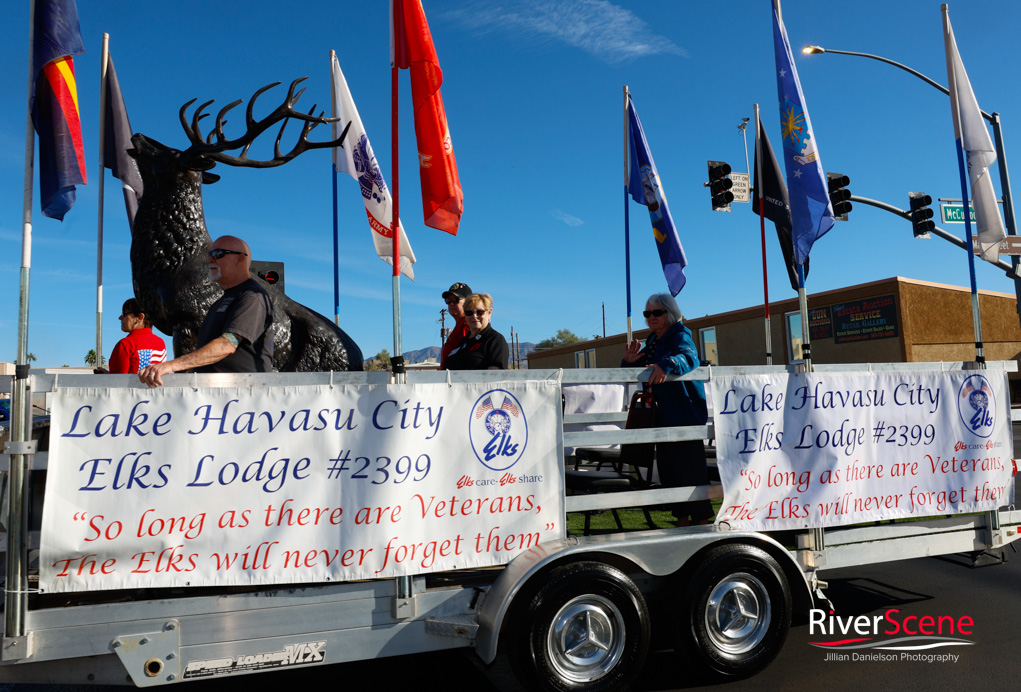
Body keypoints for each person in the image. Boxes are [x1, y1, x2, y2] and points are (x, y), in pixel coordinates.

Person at [622, 293, 711, 526]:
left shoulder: (680, 335)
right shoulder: (653, 340)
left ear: (670, 313)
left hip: (684, 415)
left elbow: (689, 358)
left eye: (657, 312)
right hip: (662, 416)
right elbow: (644, 366)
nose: (651, 317)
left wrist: (667, 364)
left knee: (690, 470)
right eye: (647, 313)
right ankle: (682, 519)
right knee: (669, 469)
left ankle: (701, 520)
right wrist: (629, 362)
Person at [138, 235, 274, 387]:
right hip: (215, 399)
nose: (210, 260)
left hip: (243, 400)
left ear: (240, 259)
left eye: (218, 254)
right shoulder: (222, 301)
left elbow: (227, 345)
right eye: (209, 255)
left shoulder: (252, 297)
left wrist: (170, 366)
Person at [443, 293, 508, 370]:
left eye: (480, 312)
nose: (474, 316)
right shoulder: (464, 341)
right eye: (469, 313)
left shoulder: (495, 340)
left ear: (489, 313)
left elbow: (494, 377)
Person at [102, 298, 167, 374]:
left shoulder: (125, 344)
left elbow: (117, 381)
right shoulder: (160, 342)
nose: (120, 318)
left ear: (140, 317)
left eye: (124, 314)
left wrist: (107, 376)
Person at [439, 282, 472, 368]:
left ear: (468, 302)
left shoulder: (469, 325)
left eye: (456, 300)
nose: (451, 304)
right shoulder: (459, 325)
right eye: (448, 301)